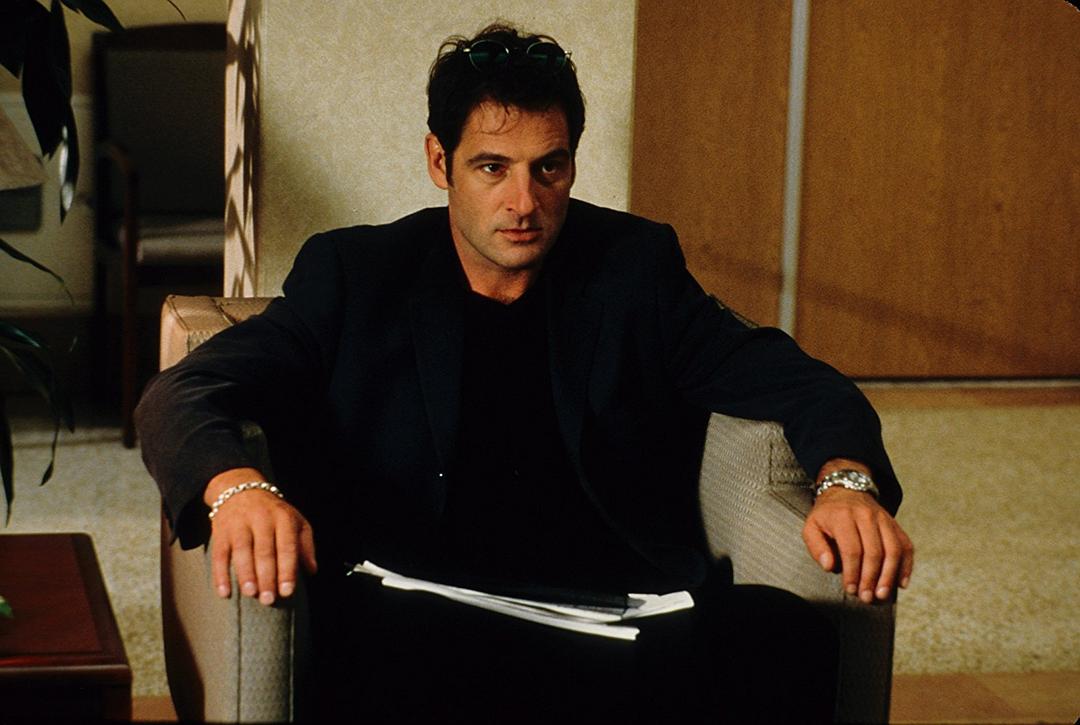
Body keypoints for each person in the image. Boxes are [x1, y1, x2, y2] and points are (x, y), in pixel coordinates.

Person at [137, 22, 914, 723]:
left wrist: (845, 480)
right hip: (424, 613)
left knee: (793, 638)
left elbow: (794, 378)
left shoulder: (633, 269)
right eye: (492, 167)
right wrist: (237, 487)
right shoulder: (357, 274)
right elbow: (185, 390)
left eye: (549, 167)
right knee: (379, 667)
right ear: (439, 162)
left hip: (617, 613)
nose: (525, 201)